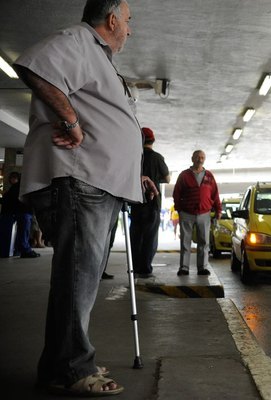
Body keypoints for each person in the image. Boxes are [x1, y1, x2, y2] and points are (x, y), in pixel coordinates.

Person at [13, 0, 158, 396]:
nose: (131, 29)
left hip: (99, 181)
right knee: (77, 279)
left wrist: (135, 171)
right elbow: (30, 66)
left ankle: (62, 364)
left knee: (81, 279)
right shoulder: (79, 39)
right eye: (128, 21)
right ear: (111, 19)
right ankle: (73, 368)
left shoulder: (98, 57)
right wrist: (72, 123)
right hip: (80, 179)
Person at [129, 127, 170, 279]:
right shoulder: (157, 158)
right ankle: (145, 268)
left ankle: (134, 267)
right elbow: (167, 179)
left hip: (135, 201)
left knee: (135, 235)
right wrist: (154, 178)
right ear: (153, 140)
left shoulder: (134, 157)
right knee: (150, 236)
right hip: (152, 203)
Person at [173, 150, 221, 276]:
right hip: (187, 213)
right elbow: (177, 193)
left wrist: (218, 210)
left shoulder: (209, 176)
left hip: (204, 213)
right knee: (185, 241)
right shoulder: (184, 175)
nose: (200, 160)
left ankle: (202, 267)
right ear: (192, 158)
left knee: (204, 242)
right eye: (198, 157)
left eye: (202, 157)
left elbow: (215, 194)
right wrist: (179, 209)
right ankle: (184, 267)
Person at [0, 171, 41, 258]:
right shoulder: (23, 187)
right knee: (23, 231)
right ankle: (24, 250)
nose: (13, 179)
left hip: (17, 212)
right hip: (23, 212)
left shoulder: (14, 189)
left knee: (21, 232)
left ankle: (21, 249)